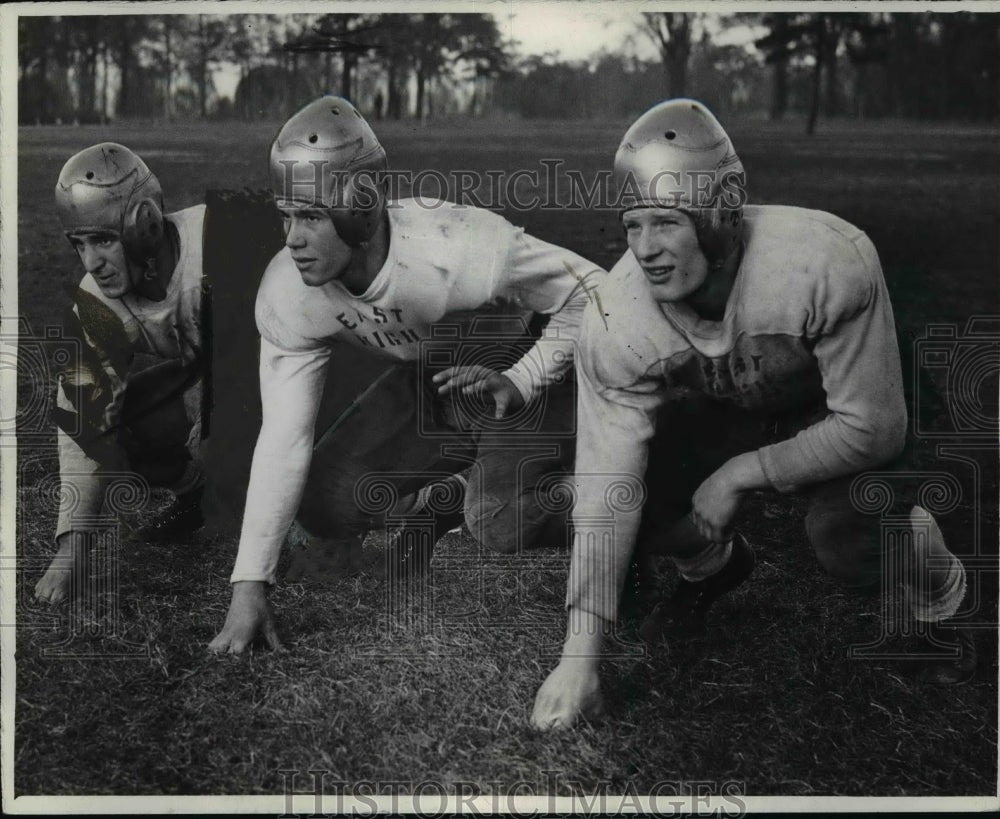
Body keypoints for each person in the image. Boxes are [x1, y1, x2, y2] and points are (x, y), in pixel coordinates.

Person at [531, 99, 976, 729]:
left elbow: (873, 429)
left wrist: (740, 473)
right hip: (734, 400)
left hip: (842, 400)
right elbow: (609, 485)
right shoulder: (616, 317)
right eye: (632, 225)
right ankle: (710, 570)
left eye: (666, 221)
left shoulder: (823, 258)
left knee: (847, 536)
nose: (646, 249)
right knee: (642, 486)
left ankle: (940, 594)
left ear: (722, 206)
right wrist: (580, 657)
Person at [208, 96, 605, 654]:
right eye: (286, 214)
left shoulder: (460, 246)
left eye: (311, 216)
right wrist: (248, 586)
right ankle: (449, 491)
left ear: (360, 207)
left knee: (498, 522)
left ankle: (611, 501)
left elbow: (597, 293)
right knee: (326, 502)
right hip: (437, 381)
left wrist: (524, 376)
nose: (291, 238)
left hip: (521, 375)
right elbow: (283, 439)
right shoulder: (288, 292)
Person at [34, 143, 208, 604]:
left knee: (318, 509)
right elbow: (78, 421)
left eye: (103, 240)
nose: (90, 261)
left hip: (278, 376)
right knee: (103, 419)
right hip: (207, 380)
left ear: (145, 225)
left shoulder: (219, 243)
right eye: (80, 244)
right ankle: (198, 493)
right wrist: (72, 548)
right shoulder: (96, 302)